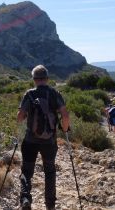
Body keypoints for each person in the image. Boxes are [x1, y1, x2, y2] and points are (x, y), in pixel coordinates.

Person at [17, 65, 70, 210]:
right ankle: (50, 206)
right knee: (50, 172)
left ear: (34, 79)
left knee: (27, 171)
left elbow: (20, 117)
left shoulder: (29, 94)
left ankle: (26, 198)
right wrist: (64, 130)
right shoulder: (55, 94)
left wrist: (26, 117)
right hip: (49, 141)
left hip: (30, 140)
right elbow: (65, 116)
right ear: (47, 78)